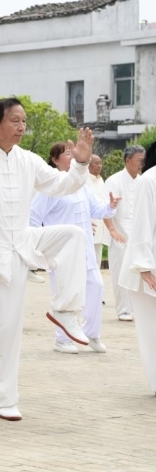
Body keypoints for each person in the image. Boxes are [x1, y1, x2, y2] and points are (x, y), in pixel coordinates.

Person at [0, 97, 95, 422]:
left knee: (74, 235)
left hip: (25, 242)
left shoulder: (28, 160)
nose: (21, 126)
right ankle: (4, 399)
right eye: (15, 120)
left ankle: (66, 311)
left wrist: (81, 163)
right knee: (5, 331)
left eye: (24, 120)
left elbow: (64, 184)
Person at [29, 142, 118, 354]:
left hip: (85, 249)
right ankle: (62, 339)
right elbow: (32, 219)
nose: (72, 156)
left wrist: (111, 206)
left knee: (96, 287)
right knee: (65, 295)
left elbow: (96, 210)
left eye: (73, 153)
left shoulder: (81, 185)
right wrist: (36, 248)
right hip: (62, 253)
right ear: (55, 159)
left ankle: (92, 334)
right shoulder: (49, 188)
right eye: (68, 154)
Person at [119, 142, 156, 394]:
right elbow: (141, 223)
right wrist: (144, 266)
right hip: (148, 267)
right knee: (150, 329)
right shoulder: (149, 180)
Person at [105, 145, 145, 321]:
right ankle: (123, 310)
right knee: (120, 272)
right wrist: (112, 229)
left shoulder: (144, 181)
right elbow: (105, 208)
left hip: (139, 235)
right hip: (120, 235)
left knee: (140, 273)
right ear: (128, 161)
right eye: (139, 160)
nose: (142, 164)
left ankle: (138, 309)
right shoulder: (114, 181)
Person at [86, 154, 108, 272]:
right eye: (96, 163)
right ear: (89, 165)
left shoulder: (101, 180)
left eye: (100, 163)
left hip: (100, 226)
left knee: (97, 258)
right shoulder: (84, 179)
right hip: (88, 224)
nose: (99, 165)